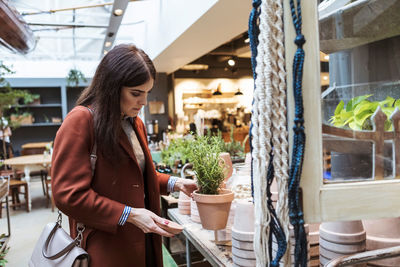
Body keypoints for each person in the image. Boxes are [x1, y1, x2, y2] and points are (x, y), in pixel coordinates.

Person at [51, 44, 197, 267]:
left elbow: (134, 178)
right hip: (107, 248)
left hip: (144, 240)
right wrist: (129, 214)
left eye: (147, 93)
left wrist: (176, 183)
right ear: (112, 87)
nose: (144, 102)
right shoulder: (81, 121)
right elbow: (68, 195)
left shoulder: (134, 122)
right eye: (136, 93)